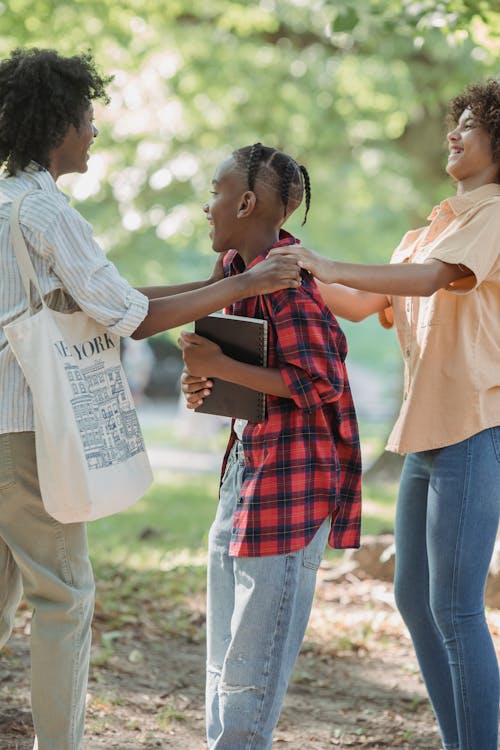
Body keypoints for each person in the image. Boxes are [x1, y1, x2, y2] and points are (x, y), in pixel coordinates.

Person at [0, 49, 301, 750]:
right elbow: (131, 318)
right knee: (65, 597)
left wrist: (226, 287)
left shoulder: (5, 204)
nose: (94, 130)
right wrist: (243, 287)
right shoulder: (43, 211)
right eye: (88, 115)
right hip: (25, 428)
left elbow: (116, 299)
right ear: (58, 123)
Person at [269, 80, 500, 750]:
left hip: (474, 429)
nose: (453, 134)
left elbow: (431, 279)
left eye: (469, 125)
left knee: (455, 608)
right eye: (451, 124)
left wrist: (327, 260)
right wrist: (289, 266)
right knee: (415, 598)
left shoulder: (492, 215)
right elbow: (363, 301)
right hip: (428, 432)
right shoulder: (433, 227)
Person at [179, 142, 362, 749]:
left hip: (294, 486)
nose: (208, 206)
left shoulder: (289, 279)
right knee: (225, 651)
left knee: (252, 663)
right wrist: (206, 378)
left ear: (248, 201)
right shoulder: (237, 271)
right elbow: (239, 361)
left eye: (215, 191)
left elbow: (321, 380)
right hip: (247, 471)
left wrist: (223, 371)